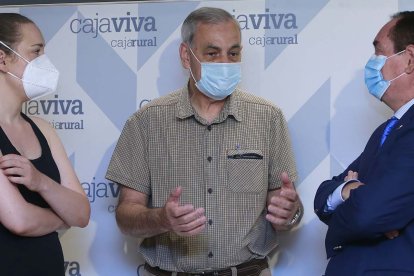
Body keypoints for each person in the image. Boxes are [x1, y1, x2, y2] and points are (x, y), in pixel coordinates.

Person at [106, 6, 303, 276]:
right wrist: (161, 219)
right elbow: (125, 216)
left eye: (233, 53)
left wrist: (291, 213)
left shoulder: (268, 118)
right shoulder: (145, 123)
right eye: (212, 53)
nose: (225, 63)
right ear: (186, 56)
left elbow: (287, 211)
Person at [314, 11, 414, 276]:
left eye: (379, 53)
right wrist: (347, 189)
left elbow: (369, 214)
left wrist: (358, 204)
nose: (372, 63)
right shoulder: (389, 128)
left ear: (410, 60)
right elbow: (324, 195)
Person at [0, 13, 90, 275]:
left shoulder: (43, 128)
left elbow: (82, 214)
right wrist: (62, 217)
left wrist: (40, 182)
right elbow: (20, 220)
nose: (45, 62)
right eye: (36, 51)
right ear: (2, 58)